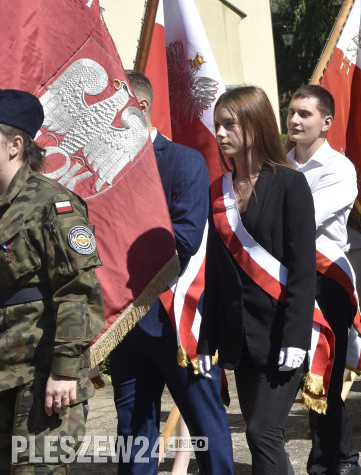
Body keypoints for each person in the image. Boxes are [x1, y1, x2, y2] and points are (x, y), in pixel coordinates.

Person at [109, 72, 232, 474]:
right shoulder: (105, 171)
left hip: (176, 317)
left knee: (205, 424)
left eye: (112, 104)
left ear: (140, 107)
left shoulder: (182, 161)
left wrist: (116, 246)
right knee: (133, 430)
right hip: (125, 322)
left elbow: (186, 237)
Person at [198, 85, 316, 475]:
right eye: (217, 125)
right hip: (241, 339)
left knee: (262, 432)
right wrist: (207, 338)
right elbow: (215, 273)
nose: (220, 134)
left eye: (229, 124)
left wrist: (298, 337)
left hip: (283, 333)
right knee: (264, 437)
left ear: (254, 124)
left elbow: (302, 269)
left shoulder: (289, 183)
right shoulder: (218, 191)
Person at [0, 89, 104, 472]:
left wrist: (63, 370)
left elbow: (78, 291)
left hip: (40, 375)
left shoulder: (53, 204)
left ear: (15, 145)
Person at [286, 85, 361, 475]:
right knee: (302, 376)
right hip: (287, 280)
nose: (295, 120)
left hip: (325, 280)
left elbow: (301, 222)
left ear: (326, 122)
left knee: (325, 377)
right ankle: (343, 457)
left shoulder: (339, 168)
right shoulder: (281, 165)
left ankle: (328, 463)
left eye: (305, 114)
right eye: (292, 112)